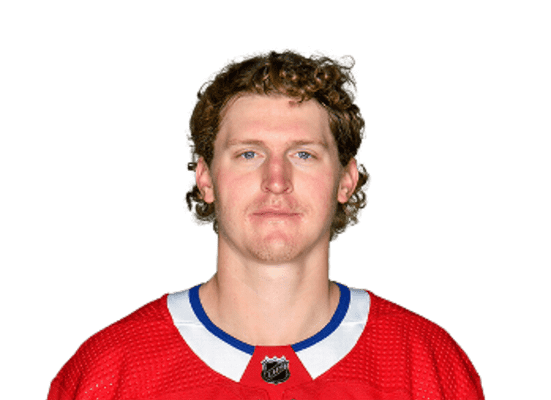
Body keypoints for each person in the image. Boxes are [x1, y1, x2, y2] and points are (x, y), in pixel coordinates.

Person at [46, 49, 485, 400]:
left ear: (346, 180)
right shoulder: (109, 371)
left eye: (303, 154)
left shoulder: (427, 365)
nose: (276, 180)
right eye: (248, 153)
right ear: (205, 179)